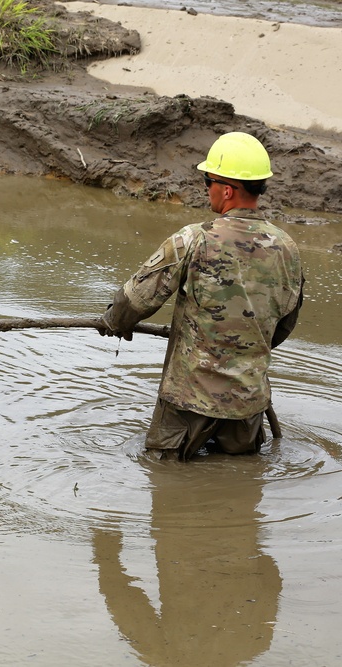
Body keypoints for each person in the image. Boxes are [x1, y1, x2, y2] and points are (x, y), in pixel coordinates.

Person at [99, 131, 303, 460]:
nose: (205, 188)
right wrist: (243, 350)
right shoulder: (287, 248)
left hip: (187, 401)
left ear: (226, 189)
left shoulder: (194, 239)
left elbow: (135, 300)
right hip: (247, 404)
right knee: (240, 489)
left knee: (163, 477)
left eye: (207, 180)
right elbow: (285, 323)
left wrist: (112, 321)